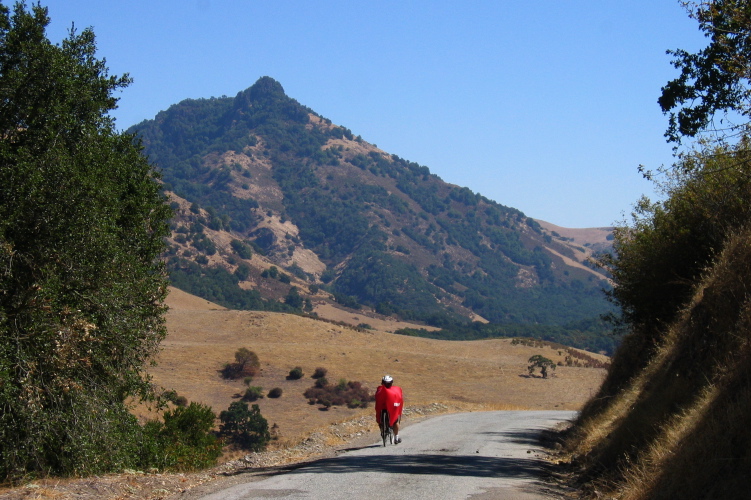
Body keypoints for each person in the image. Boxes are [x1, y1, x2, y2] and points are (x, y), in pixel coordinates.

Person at [375, 374, 404, 444]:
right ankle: (384, 431)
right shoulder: (380, 389)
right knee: (381, 420)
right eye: (386, 383)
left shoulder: (394, 390)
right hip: (383, 408)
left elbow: (399, 398)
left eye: (389, 383)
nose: (387, 384)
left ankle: (396, 437)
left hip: (391, 408)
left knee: (395, 420)